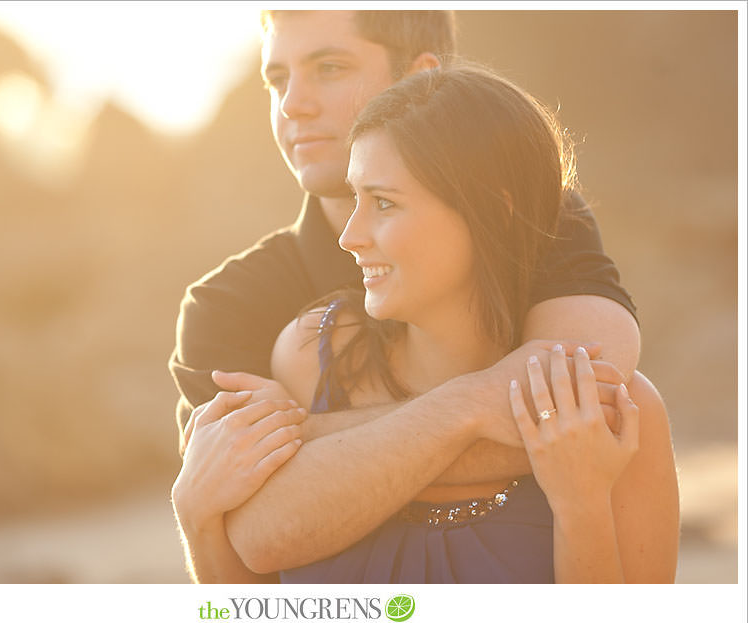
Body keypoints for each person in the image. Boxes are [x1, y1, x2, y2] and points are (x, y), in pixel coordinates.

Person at [170, 10, 645, 582]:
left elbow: (590, 401)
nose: (291, 103)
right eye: (276, 80)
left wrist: (307, 440)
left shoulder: (534, 216)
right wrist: (470, 406)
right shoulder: (230, 305)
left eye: (328, 67)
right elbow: (258, 532)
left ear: (419, 78)